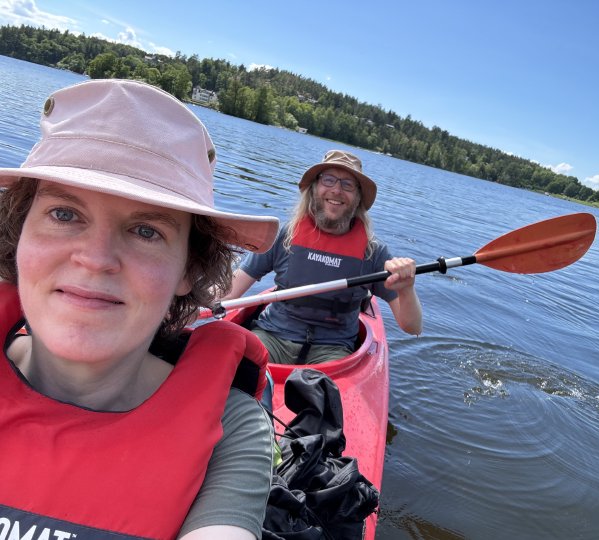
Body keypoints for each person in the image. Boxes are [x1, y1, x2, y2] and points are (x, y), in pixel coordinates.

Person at [0, 79, 281, 539]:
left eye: (146, 231)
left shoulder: (231, 430)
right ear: (19, 234)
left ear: (188, 269)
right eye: (65, 214)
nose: (95, 258)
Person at [224, 149, 423, 364]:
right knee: (237, 367)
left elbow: (412, 327)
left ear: (357, 198)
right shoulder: (285, 236)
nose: (336, 190)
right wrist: (191, 300)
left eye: (348, 184)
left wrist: (406, 288)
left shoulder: (373, 253)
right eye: (329, 180)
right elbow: (230, 292)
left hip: (332, 350)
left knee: (322, 393)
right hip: (273, 337)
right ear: (315, 188)